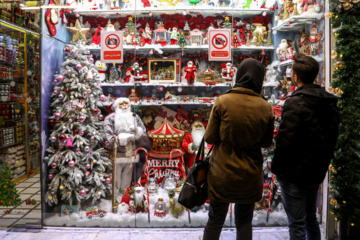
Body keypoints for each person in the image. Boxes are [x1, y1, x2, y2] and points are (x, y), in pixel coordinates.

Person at [203, 58, 275, 240]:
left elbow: (210, 137)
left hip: (222, 171)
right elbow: (267, 143)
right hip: (249, 174)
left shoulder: (223, 101)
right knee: (244, 222)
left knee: (215, 221)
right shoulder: (266, 107)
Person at [272, 53, 340, 240]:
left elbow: (286, 141)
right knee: (310, 217)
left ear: (295, 76)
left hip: (294, 173)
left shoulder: (295, 102)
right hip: (315, 171)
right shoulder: (329, 102)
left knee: (297, 223)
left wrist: (278, 169)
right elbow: (331, 137)